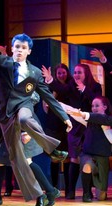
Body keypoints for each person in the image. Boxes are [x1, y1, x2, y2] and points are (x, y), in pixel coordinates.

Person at [0, 33, 72, 206]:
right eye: (17, 46)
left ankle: (45, 189)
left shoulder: (33, 73)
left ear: (29, 51)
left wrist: (63, 116)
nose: (19, 50)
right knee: (5, 158)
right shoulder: (2, 64)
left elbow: (44, 97)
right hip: (4, 121)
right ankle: (5, 195)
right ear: (12, 48)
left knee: (23, 160)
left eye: (23, 47)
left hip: (22, 123)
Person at [43, 63, 102, 199]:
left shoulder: (95, 86)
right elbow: (61, 89)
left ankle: (88, 190)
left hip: (90, 127)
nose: (76, 75)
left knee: (89, 158)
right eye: (74, 72)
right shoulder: (71, 86)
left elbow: (97, 101)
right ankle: (70, 191)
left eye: (79, 72)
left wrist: (85, 89)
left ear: (86, 73)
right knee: (74, 158)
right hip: (75, 128)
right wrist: (50, 79)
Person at [61, 96, 112, 202]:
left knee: (101, 197)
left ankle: (98, 188)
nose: (94, 108)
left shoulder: (111, 121)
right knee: (86, 165)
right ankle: (86, 193)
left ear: (105, 107)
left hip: (102, 157)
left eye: (97, 105)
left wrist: (105, 126)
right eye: (92, 106)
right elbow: (72, 111)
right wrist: (59, 104)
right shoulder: (89, 119)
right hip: (88, 154)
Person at [41, 63, 73, 196]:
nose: (61, 75)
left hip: (66, 126)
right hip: (52, 125)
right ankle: (53, 188)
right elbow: (45, 101)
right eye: (59, 73)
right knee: (54, 159)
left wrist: (50, 80)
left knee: (66, 159)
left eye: (63, 72)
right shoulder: (50, 87)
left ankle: (68, 190)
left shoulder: (70, 86)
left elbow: (63, 90)